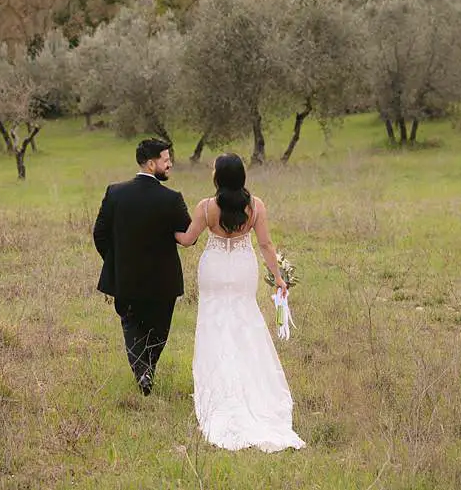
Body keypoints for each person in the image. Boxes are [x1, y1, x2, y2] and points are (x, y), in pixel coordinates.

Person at [175, 153, 305, 452]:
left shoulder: (206, 207)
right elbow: (266, 245)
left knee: (214, 324)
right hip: (244, 269)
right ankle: (251, 387)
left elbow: (186, 239)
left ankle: (219, 390)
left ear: (218, 177)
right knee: (246, 321)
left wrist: (165, 227)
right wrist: (279, 277)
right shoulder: (255, 206)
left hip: (215, 269)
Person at [92, 138, 192, 395]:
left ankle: (143, 371)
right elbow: (187, 233)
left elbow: (99, 234)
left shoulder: (115, 193)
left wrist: (116, 261)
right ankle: (145, 372)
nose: (170, 164)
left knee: (132, 326)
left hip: (126, 278)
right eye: (166, 160)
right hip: (164, 281)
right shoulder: (172, 199)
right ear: (151, 163)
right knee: (158, 331)